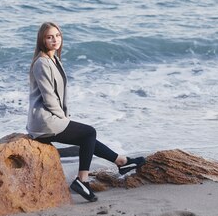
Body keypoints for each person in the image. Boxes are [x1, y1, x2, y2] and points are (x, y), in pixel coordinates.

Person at [27, 22, 145, 202]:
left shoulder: (53, 59)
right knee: (89, 132)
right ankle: (83, 180)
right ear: (42, 40)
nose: (55, 40)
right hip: (44, 121)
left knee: (86, 136)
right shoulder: (42, 63)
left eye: (57, 36)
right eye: (49, 37)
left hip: (50, 118)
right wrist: (63, 119)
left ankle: (121, 162)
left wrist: (63, 118)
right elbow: (49, 97)